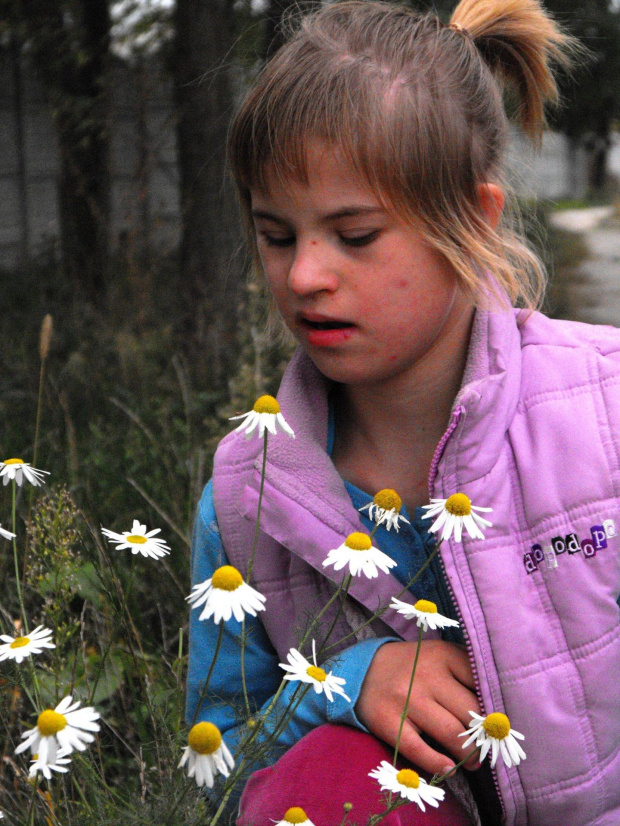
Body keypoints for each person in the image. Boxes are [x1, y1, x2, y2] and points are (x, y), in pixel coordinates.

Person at [186, 1, 620, 824]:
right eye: (277, 236)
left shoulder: (604, 411)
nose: (305, 275)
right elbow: (218, 772)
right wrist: (345, 686)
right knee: (326, 783)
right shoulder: (249, 499)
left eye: (355, 235)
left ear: (472, 221)